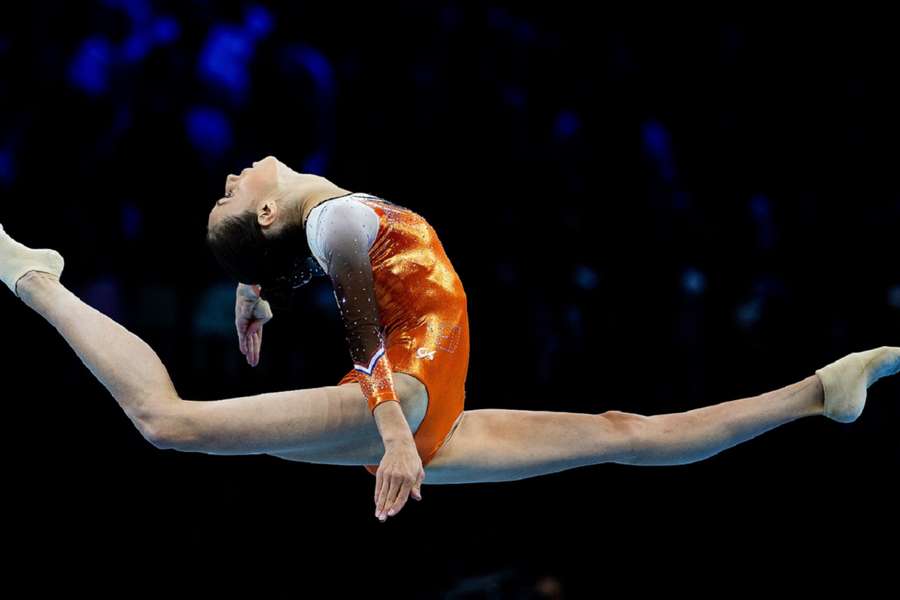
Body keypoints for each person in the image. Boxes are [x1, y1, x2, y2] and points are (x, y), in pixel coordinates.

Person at [1, 155, 897, 524]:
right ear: (268, 211)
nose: (233, 174)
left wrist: (256, 286)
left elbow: (303, 258)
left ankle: (824, 389)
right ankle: (29, 274)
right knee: (168, 422)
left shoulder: (317, 217)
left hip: (432, 402)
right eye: (233, 192)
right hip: (412, 402)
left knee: (629, 433)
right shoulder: (333, 222)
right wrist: (392, 432)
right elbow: (358, 321)